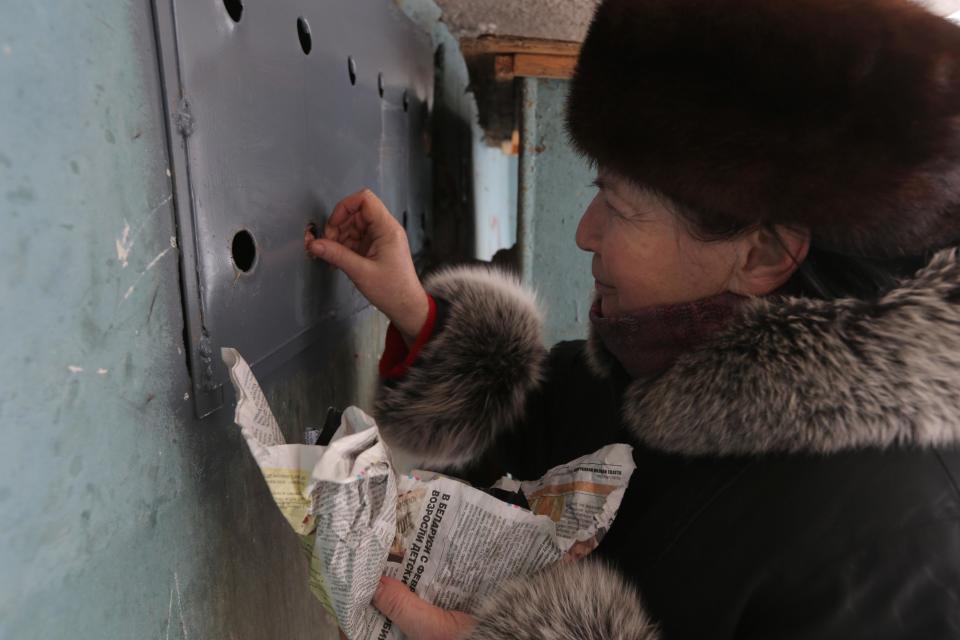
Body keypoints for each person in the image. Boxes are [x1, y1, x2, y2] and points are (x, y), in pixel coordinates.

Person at [307, 0, 960, 637]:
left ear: (762, 253)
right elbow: (542, 419)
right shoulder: (676, 362)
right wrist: (414, 309)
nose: (586, 234)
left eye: (617, 207)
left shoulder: (902, 545)